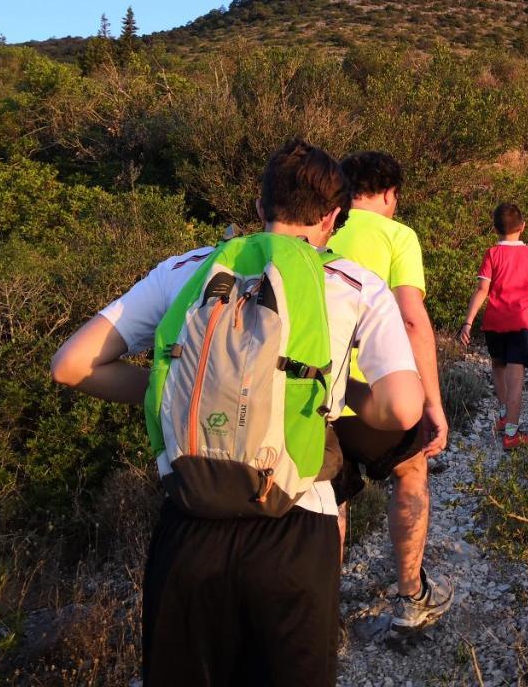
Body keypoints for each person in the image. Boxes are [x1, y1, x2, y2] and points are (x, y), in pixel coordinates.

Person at [50, 140, 425, 686]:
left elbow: (71, 364)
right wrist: (331, 396)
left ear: (258, 206)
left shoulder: (185, 270)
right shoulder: (354, 285)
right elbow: (400, 407)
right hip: (298, 524)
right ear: (331, 218)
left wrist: (172, 388)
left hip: (189, 520)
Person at [325, 151, 453, 631]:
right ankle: (410, 596)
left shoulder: (321, 228)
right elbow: (413, 319)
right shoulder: (398, 235)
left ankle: (325, 618)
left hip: (317, 389)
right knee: (411, 470)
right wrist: (433, 404)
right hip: (377, 393)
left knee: (329, 496)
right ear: (388, 194)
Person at [456, 203, 528, 450]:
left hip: (494, 322)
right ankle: (512, 433)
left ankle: (503, 416)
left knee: (498, 366)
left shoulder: (492, 253)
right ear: (523, 227)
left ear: (495, 228)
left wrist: (468, 322)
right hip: (520, 323)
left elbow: (482, 290)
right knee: (516, 380)